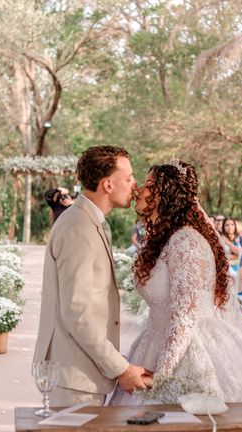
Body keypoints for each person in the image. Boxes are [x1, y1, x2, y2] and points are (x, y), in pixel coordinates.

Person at [110, 159, 242, 405]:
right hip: (153, 341)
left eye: (149, 184)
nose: (139, 188)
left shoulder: (187, 242)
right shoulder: (165, 240)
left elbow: (185, 317)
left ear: (165, 194)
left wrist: (162, 376)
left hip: (189, 350)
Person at [34, 145, 150, 407]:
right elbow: (78, 312)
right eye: (129, 177)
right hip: (74, 378)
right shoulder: (79, 228)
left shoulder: (88, 221)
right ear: (108, 184)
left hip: (81, 372)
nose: (135, 185)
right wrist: (120, 368)